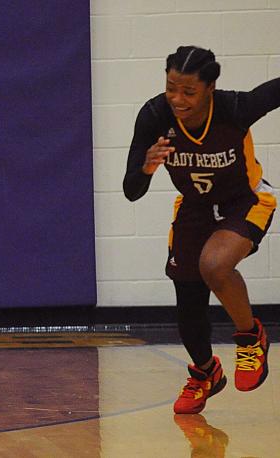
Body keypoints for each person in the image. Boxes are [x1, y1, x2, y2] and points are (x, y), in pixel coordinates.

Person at [124, 45, 277, 414]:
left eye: (188, 91)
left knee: (214, 265)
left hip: (245, 201)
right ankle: (205, 373)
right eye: (171, 87)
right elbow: (132, 190)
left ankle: (250, 337)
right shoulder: (154, 116)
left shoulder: (234, 109)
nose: (178, 98)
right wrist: (145, 167)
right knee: (188, 304)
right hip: (195, 209)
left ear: (210, 87)